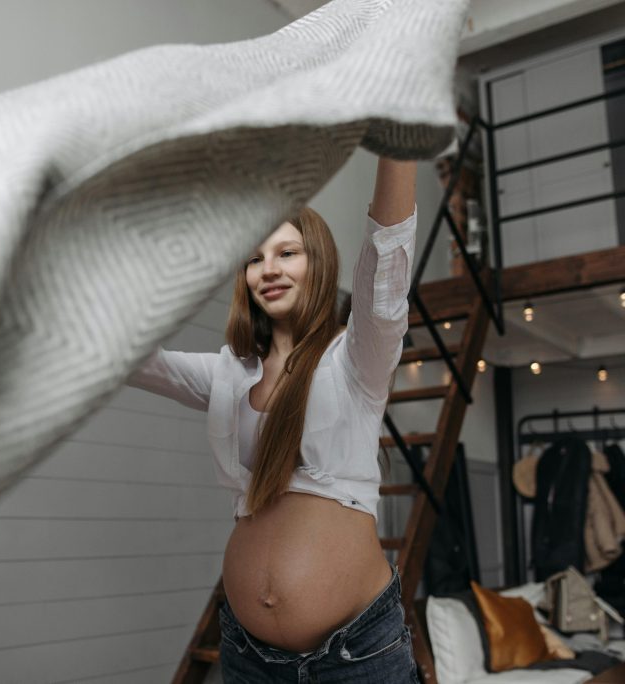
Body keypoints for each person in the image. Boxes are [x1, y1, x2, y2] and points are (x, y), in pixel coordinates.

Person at [128, 156, 419, 682]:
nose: (269, 269)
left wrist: (398, 147)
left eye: (288, 253)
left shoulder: (356, 359)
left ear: (320, 263)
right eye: (255, 258)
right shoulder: (228, 374)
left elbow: (386, 266)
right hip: (250, 656)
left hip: (357, 654)